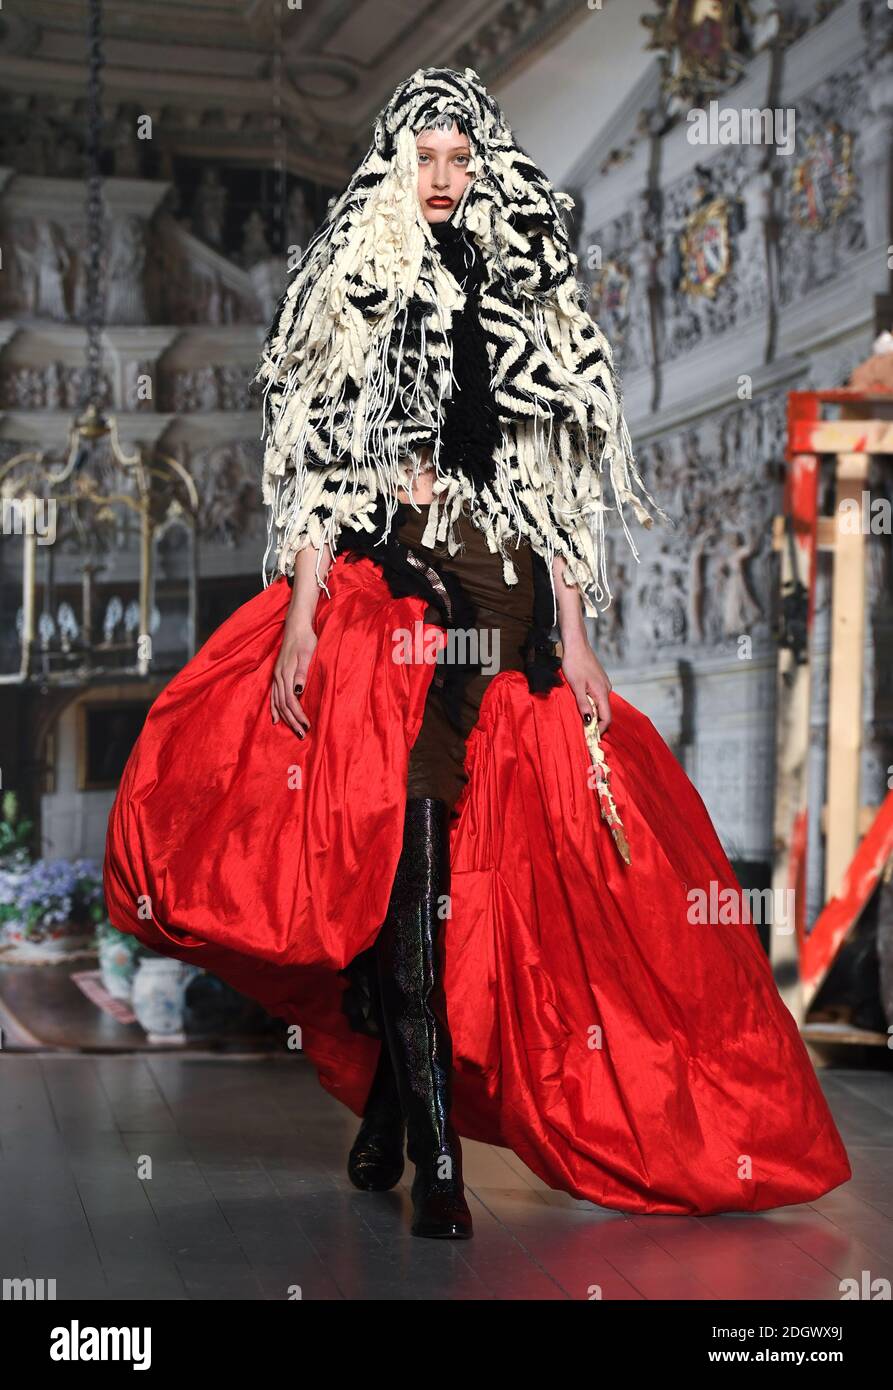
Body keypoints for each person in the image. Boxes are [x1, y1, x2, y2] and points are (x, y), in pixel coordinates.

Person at [104, 67, 851, 1243]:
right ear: (396, 162)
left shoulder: (527, 285)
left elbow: (555, 488)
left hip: (499, 600)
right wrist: (302, 614)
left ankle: (405, 1104)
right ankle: (438, 1162)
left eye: (461, 160)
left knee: (477, 883)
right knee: (400, 865)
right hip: (383, 596)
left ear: (482, 162)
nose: (444, 181)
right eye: (426, 160)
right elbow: (311, 466)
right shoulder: (345, 282)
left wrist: (579, 634)